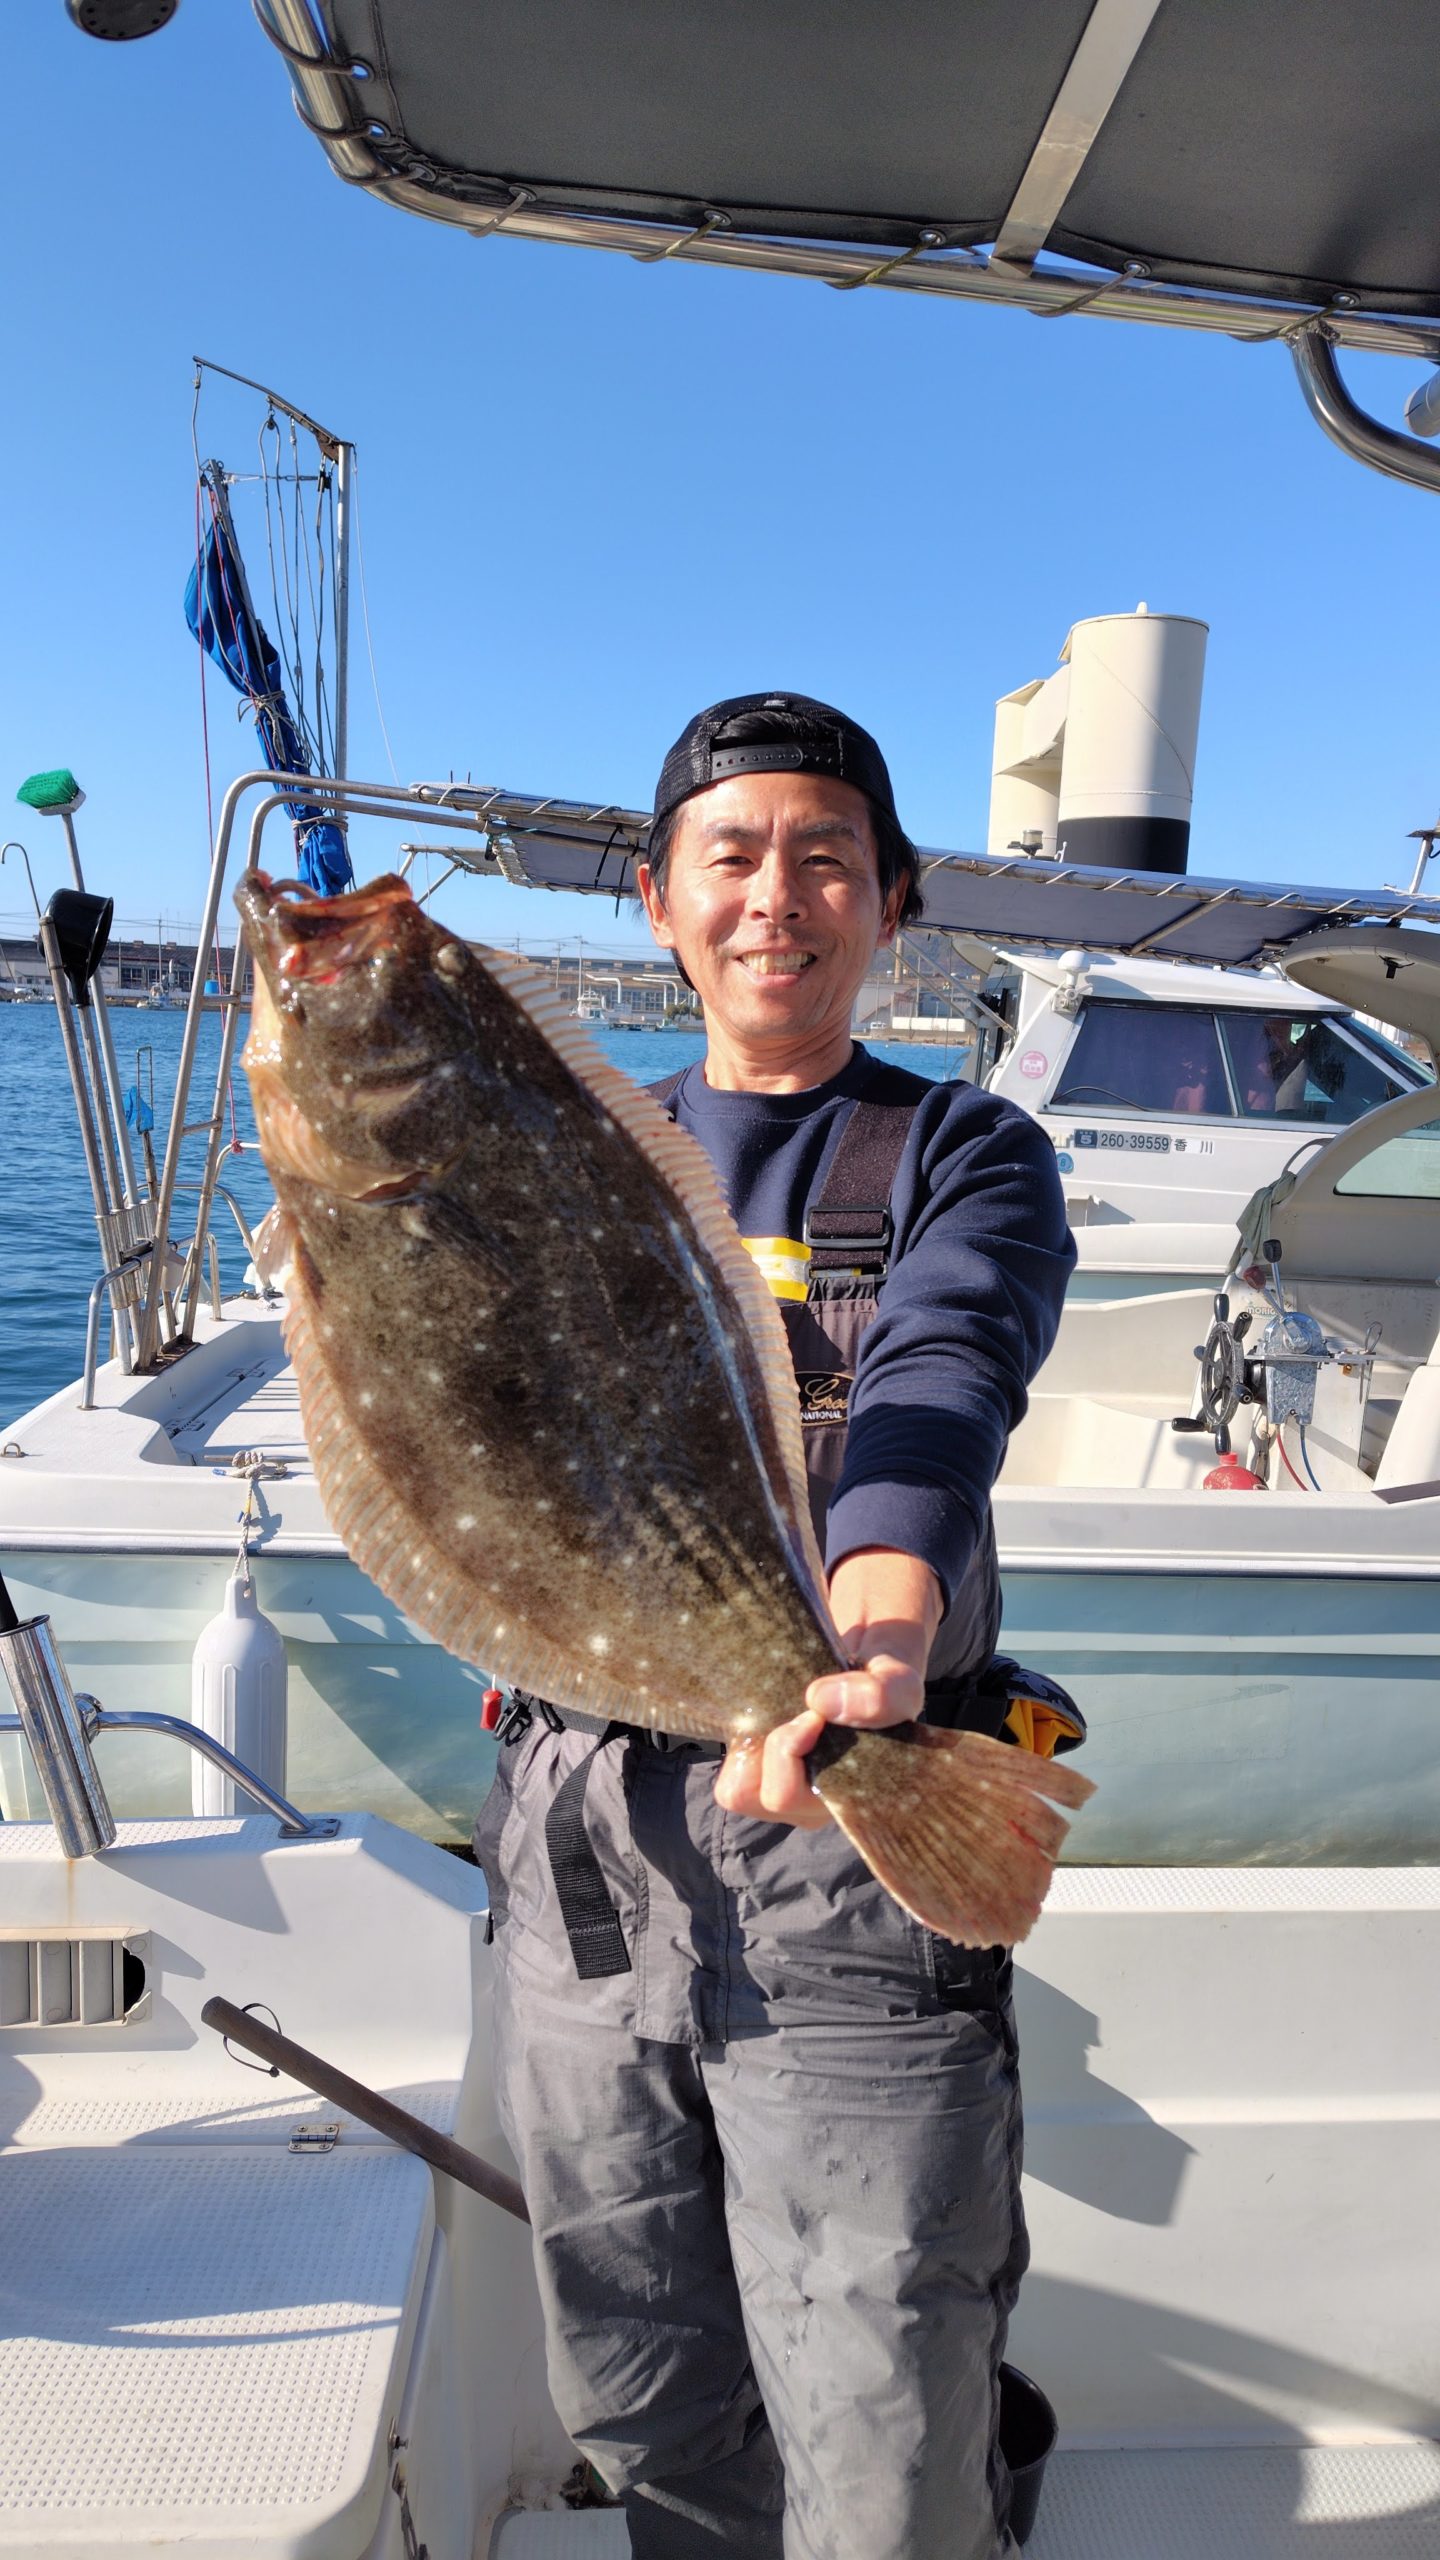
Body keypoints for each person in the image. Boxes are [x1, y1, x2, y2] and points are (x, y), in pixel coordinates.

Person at [473, 692, 1078, 2560]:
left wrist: (877, 1634)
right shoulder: (567, 1150)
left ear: (890, 902)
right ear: (659, 899)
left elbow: (941, 1372)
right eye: (730, 856)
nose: (774, 897)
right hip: (581, 1851)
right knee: (639, 2389)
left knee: (886, 2411)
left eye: (825, 856)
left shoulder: (962, 1152)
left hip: (846, 1817)